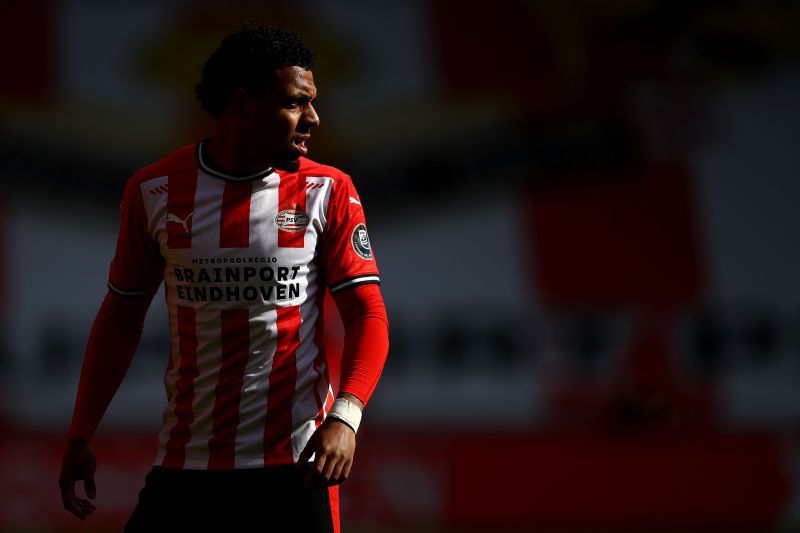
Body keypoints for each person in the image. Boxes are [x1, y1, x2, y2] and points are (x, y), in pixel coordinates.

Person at [57, 24, 389, 532]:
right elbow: (121, 318)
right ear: (242, 104)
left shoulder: (329, 191)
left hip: (295, 468)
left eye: (313, 103)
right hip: (187, 466)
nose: (314, 119)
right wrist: (81, 432)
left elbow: (367, 315)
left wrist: (346, 416)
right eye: (297, 103)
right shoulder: (155, 190)